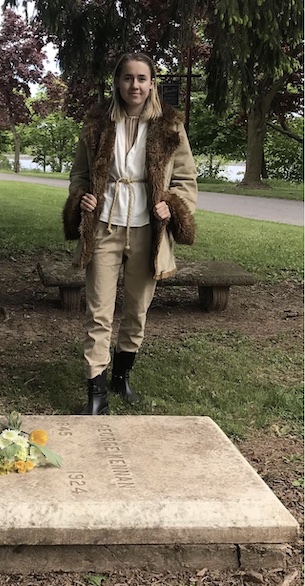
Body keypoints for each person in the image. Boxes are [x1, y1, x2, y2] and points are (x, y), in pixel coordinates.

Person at [63, 52, 198, 415]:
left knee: (137, 310)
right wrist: (82, 198)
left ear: (151, 82)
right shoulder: (97, 123)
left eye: (141, 78)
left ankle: (121, 377)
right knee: (99, 310)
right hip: (104, 227)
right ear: (117, 82)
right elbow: (79, 174)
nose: (134, 85)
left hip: (147, 231)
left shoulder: (170, 125)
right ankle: (96, 392)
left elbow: (186, 180)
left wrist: (171, 203)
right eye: (127, 78)